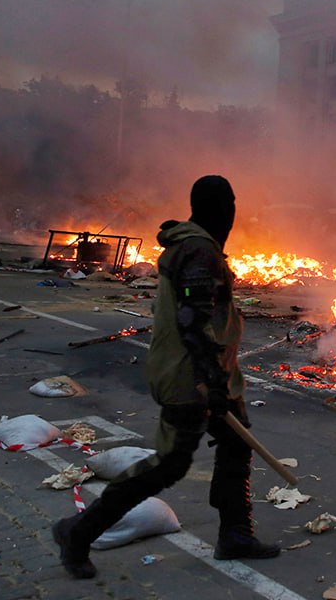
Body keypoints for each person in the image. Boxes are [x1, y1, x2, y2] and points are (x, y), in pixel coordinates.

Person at [53, 176, 279, 579]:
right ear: (218, 208)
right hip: (189, 377)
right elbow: (192, 321)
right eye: (228, 204)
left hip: (212, 374)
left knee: (235, 444)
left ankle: (235, 534)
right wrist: (211, 384)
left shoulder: (194, 246)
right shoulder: (198, 251)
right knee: (170, 464)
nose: (232, 212)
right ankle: (79, 532)